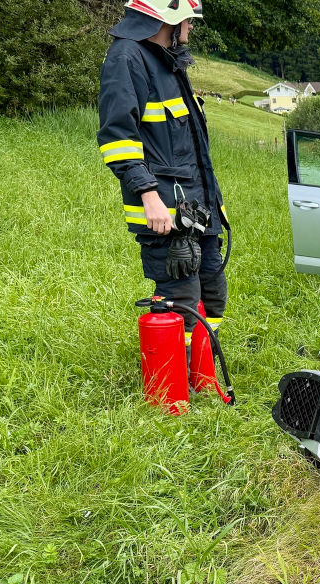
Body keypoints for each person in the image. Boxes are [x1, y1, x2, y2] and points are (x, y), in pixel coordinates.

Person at [98, 0, 229, 358]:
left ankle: (202, 372)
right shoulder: (126, 59)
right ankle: (172, 388)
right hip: (165, 214)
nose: (190, 26)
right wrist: (149, 196)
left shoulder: (171, 64)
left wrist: (214, 205)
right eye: (187, 19)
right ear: (168, 18)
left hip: (199, 209)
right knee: (181, 300)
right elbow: (118, 139)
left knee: (213, 291)